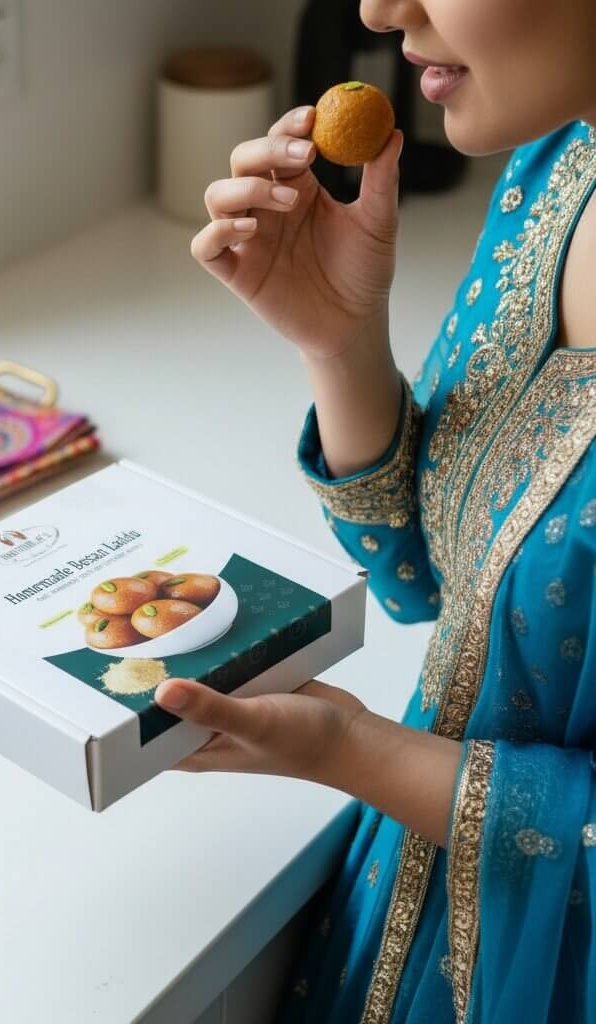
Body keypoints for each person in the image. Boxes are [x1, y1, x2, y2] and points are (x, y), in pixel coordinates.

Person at [152, 1, 596, 1021]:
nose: (376, 7)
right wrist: (338, 339)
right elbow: (432, 580)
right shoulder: (559, 165)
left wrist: (352, 750)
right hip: (399, 919)